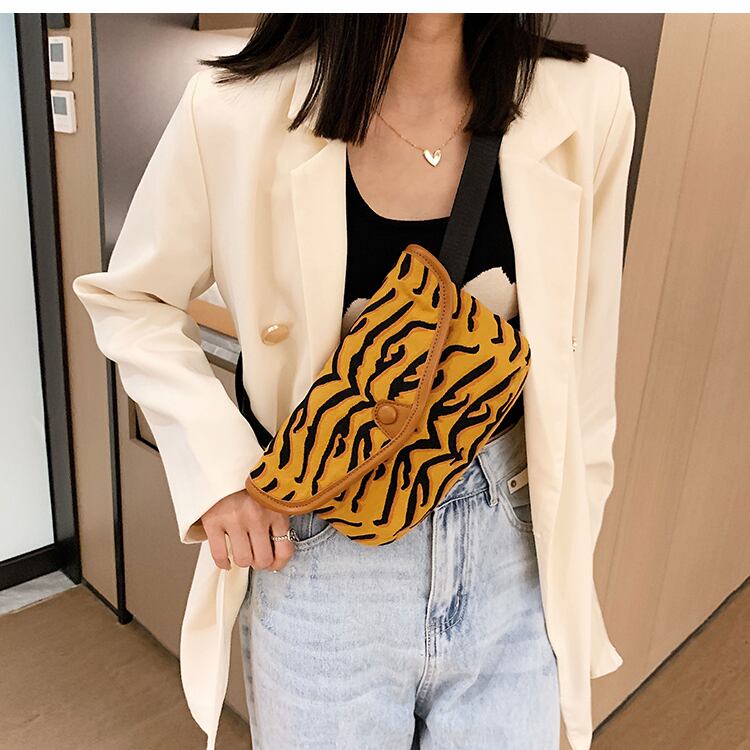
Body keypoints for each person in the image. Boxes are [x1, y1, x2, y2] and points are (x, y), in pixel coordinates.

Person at [73, 13, 636, 750]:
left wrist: (575, 532)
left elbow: (588, 356)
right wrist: (217, 473)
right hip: (319, 539)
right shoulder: (234, 109)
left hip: (513, 537)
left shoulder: (588, 100)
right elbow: (133, 299)